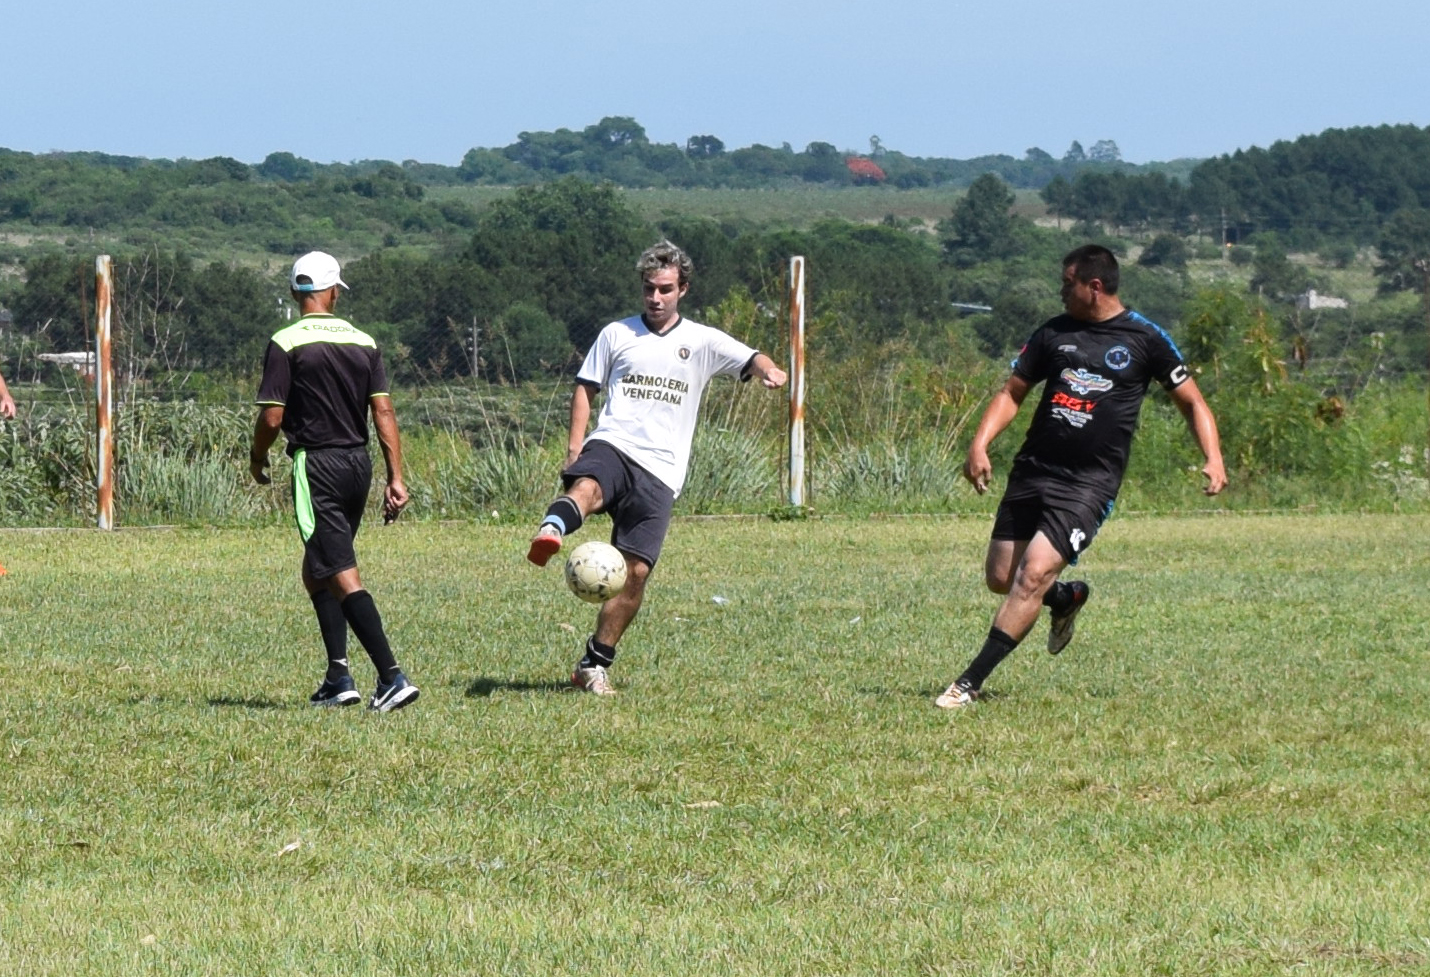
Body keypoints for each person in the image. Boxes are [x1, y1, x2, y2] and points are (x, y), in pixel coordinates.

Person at [935, 244, 1226, 709]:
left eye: (1067, 283)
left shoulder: (1146, 338)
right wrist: (979, 444)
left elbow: (1193, 402)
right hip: (1033, 470)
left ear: (1094, 286)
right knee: (1001, 577)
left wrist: (1213, 457)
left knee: (1031, 576)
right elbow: (1012, 393)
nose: (1060, 291)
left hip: (1088, 485)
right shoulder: (1053, 333)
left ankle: (967, 683)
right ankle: (1066, 598)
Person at [527, 240, 788, 695]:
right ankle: (552, 529)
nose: (655, 297)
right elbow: (586, 388)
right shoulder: (617, 334)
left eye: (665, 289)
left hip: (662, 469)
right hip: (615, 443)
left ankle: (593, 664)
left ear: (682, 289)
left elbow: (751, 357)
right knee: (587, 486)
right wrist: (574, 448)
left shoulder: (702, 340)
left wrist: (770, 371)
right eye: (649, 288)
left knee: (635, 574)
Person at [250, 251, 418, 712]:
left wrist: (257, 457)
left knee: (341, 571)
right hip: (357, 466)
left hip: (316, 465)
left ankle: (392, 677)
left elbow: (272, 416)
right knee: (317, 567)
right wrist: (395, 476)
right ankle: (338, 677)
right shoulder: (364, 342)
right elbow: (383, 411)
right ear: (333, 292)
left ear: (294, 292)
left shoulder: (285, 341)